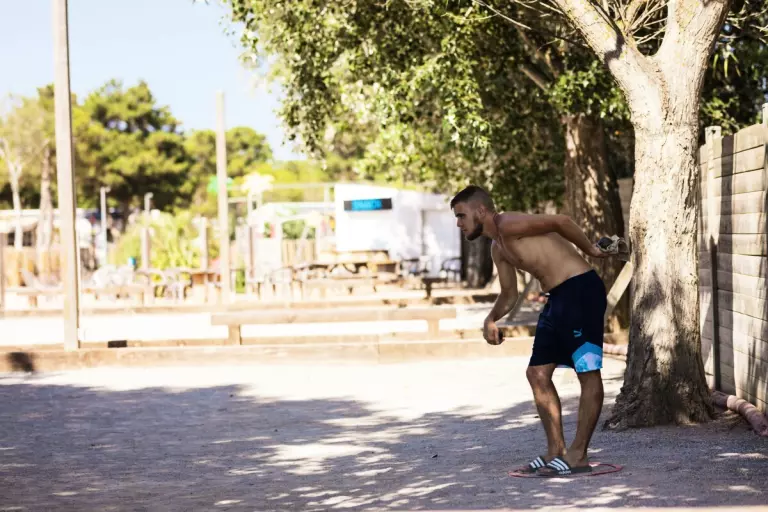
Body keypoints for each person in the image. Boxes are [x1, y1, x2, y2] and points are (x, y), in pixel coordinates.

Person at [450, 185, 620, 477]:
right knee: (537, 373)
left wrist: (592, 250)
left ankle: (578, 455)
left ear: (480, 211)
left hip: (580, 289)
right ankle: (555, 450)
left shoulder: (507, 223)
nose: (458, 223)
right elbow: (509, 294)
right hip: (556, 299)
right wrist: (491, 319)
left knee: (587, 370)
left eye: (461, 215)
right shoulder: (498, 248)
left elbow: (561, 221)